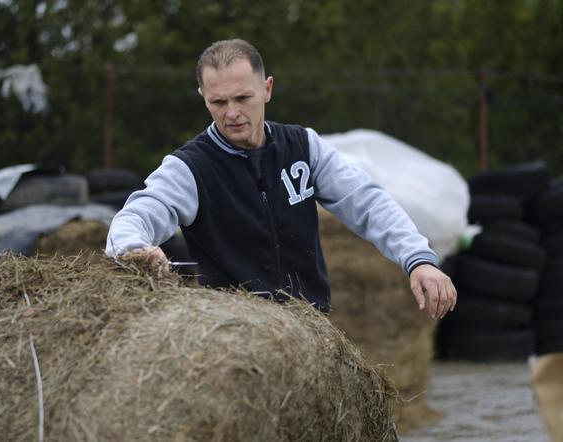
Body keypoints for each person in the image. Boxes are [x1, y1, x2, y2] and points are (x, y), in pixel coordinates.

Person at [106, 38, 457, 319]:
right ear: (203, 97)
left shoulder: (304, 147)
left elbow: (367, 201)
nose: (232, 113)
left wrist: (418, 260)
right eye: (218, 102)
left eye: (243, 98)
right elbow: (139, 213)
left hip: (312, 327)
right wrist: (133, 249)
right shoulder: (190, 168)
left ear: (267, 89)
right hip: (231, 337)